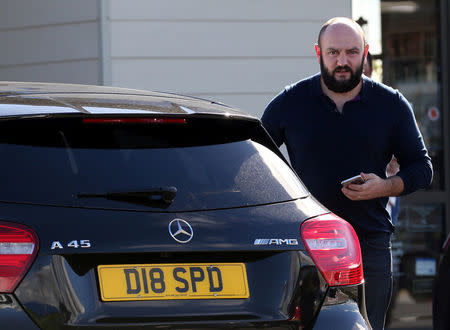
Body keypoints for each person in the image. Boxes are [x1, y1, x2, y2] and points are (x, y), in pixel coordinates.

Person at [261, 17, 433, 330]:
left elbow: (422, 168)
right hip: (304, 243)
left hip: (369, 242)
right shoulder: (289, 103)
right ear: (318, 53)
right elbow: (258, 162)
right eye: (334, 53)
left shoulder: (391, 105)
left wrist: (384, 186)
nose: (343, 61)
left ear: (365, 53)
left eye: (352, 52)